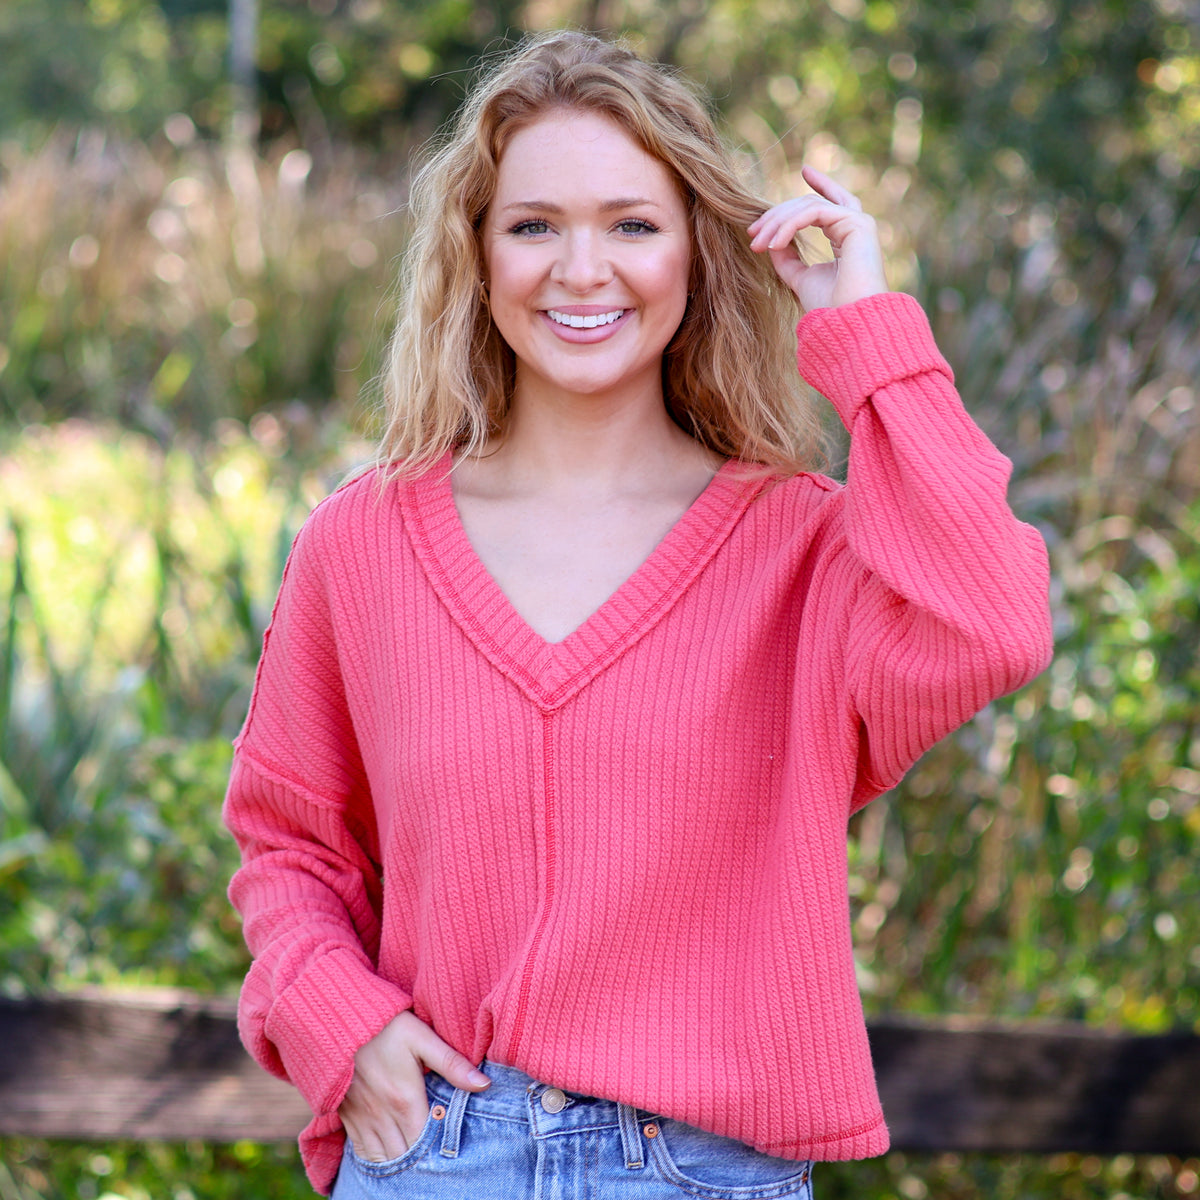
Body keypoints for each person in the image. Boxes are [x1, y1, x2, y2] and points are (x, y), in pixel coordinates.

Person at [223, 30, 1053, 1200]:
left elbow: (995, 624)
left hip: (708, 1172)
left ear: (698, 253)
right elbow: (289, 845)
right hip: (434, 1157)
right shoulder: (361, 545)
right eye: (533, 225)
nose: (580, 269)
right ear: (476, 254)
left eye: (631, 223)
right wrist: (334, 1021)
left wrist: (863, 332)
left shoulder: (805, 549)